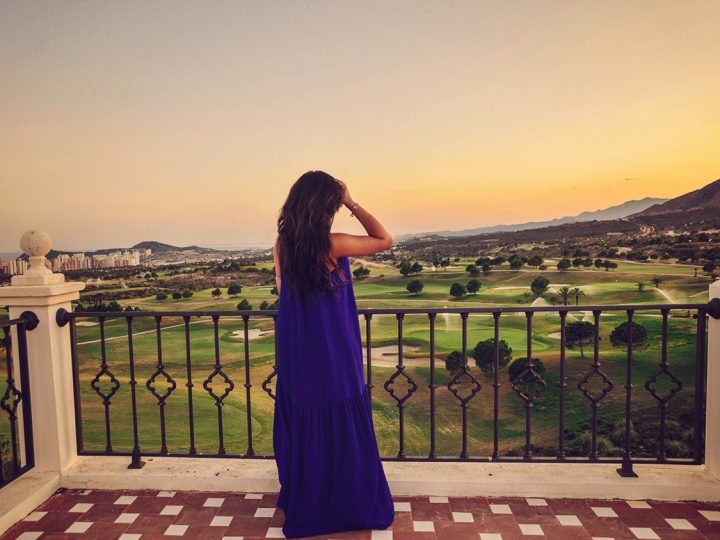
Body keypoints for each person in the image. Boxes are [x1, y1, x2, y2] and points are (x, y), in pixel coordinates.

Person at [272, 170, 395, 538]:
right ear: (326, 206)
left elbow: (283, 293)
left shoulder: (282, 245)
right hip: (333, 344)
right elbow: (385, 239)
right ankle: (346, 501)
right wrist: (351, 201)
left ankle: (309, 499)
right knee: (341, 412)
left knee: (305, 414)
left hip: (297, 345)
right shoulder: (333, 244)